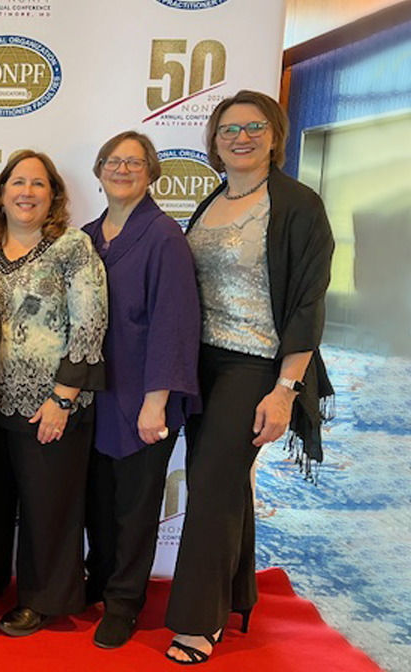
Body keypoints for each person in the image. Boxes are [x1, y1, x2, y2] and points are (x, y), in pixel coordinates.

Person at [165, 90, 334, 664]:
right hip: (200, 365)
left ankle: (196, 622)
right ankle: (235, 596)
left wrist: (285, 390)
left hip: (256, 365)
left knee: (210, 488)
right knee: (225, 484)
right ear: (214, 141)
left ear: (274, 135)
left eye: (254, 127)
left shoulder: (298, 205)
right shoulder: (211, 201)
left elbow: (308, 304)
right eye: (229, 129)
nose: (241, 137)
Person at [0, 150, 108, 637]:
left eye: (38, 184)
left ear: (53, 195)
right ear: (2, 193)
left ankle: (44, 599)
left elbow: (90, 325)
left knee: (47, 505)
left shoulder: (72, 248)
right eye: (17, 182)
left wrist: (63, 399)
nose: (27, 192)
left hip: (51, 404)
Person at [80, 131, 201, 649]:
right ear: (99, 169)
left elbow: (174, 323)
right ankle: (99, 579)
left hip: (143, 397)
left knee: (135, 505)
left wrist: (157, 401)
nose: (122, 169)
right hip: (95, 396)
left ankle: (125, 602)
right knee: (98, 501)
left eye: (134, 162)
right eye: (113, 160)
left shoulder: (164, 236)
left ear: (151, 172)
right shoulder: (87, 236)